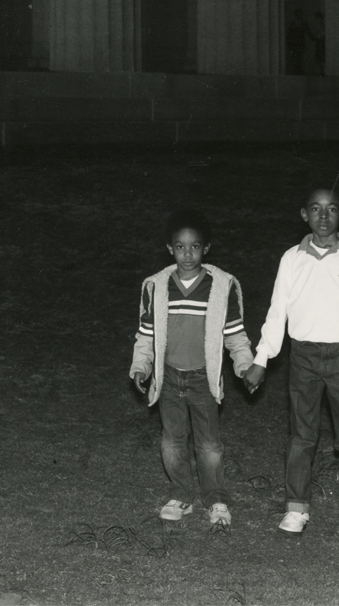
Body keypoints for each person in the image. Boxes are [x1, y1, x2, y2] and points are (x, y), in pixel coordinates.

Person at [243, 187, 339, 538]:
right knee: (301, 435)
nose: (324, 216)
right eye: (316, 209)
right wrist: (261, 358)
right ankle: (296, 507)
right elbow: (278, 311)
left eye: (332, 209)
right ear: (304, 214)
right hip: (303, 356)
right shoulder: (292, 258)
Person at [130, 209, 259, 526]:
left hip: (203, 377)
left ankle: (216, 499)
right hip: (169, 376)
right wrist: (141, 366)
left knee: (209, 444)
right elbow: (146, 334)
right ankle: (181, 495)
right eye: (180, 247)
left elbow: (235, 334)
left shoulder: (221, 286)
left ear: (207, 248)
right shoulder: (157, 286)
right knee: (172, 441)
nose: (187, 254)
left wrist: (245, 366)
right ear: (169, 248)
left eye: (195, 247)